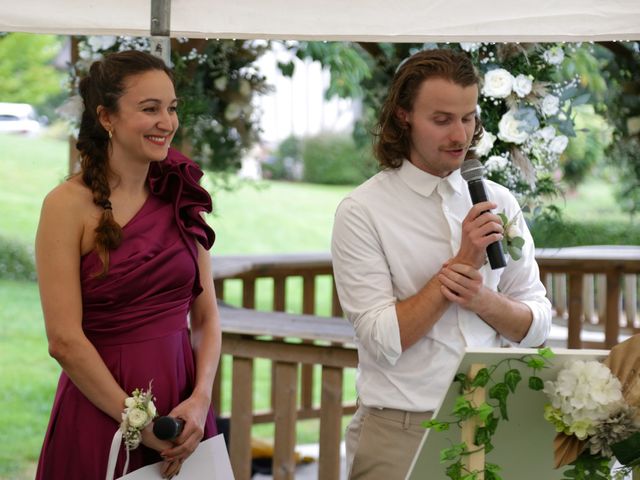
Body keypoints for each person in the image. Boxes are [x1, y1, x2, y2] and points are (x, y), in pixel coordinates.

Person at [331, 48, 552, 479]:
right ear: (403, 116)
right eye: (442, 119)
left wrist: (483, 299)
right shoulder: (362, 211)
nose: (460, 134)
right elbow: (383, 339)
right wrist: (464, 262)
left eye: (468, 118)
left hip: (496, 422)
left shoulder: (499, 200)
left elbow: (538, 324)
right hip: (402, 430)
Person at [34, 50, 221, 480]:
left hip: (184, 412)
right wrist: (136, 424)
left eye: (171, 108)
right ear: (106, 117)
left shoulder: (181, 191)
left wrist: (201, 398)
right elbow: (63, 340)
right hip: (102, 412)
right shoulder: (66, 206)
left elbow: (207, 314)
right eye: (149, 109)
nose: (167, 122)